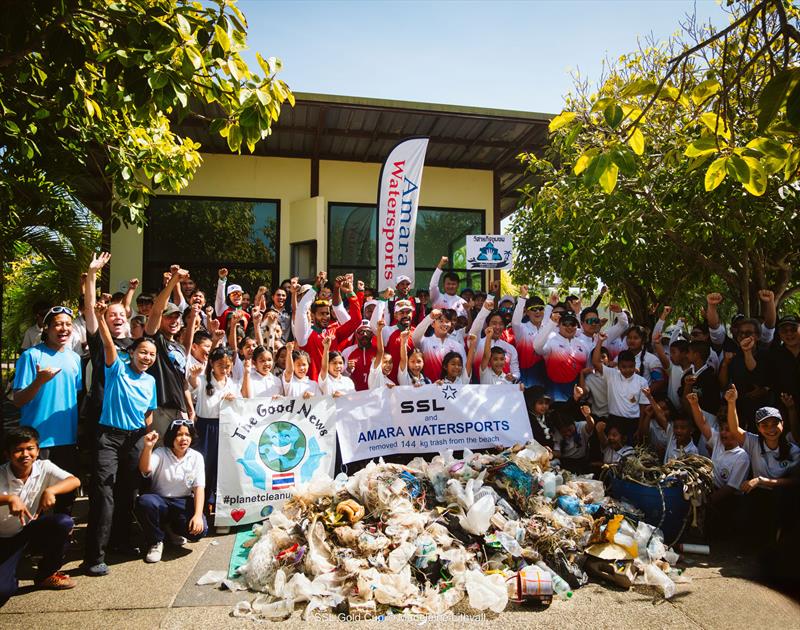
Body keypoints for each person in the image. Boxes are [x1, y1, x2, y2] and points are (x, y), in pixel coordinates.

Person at [82, 301, 157, 575]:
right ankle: (94, 556)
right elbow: (108, 345)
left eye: (151, 354)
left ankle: (122, 542)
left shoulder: (150, 382)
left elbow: (148, 412)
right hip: (109, 437)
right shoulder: (117, 368)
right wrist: (101, 318)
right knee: (104, 494)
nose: (147, 357)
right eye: (143, 352)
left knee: (129, 492)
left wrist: (149, 438)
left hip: (136, 438)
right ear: (132, 353)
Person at [12, 305, 82, 513]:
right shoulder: (31, 356)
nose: (64, 328)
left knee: (64, 500)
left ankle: (60, 539)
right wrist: (39, 382)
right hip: (37, 440)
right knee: (33, 497)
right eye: (58, 324)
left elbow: (74, 395)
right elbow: (18, 399)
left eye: (68, 324)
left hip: (67, 439)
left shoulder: (75, 358)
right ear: (47, 328)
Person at [0, 427, 80, 604]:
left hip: (27, 531)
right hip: (3, 538)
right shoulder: (2, 473)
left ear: (37, 450)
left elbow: (74, 481)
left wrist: (51, 490)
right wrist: (8, 499)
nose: (25, 454)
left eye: (30, 448)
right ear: (7, 454)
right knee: (4, 591)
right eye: (18, 450)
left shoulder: (44, 466)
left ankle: (46, 574)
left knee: (63, 523)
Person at [724, 385, 800, 542]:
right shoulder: (754, 442)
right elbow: (734, 428)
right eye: (765, 425)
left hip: (783, 496)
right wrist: (732, 403)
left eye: (775, 424)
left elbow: (796, 480)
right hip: (759, 494)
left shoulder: (793, 450)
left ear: (782, 424)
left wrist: (764, 481)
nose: (771, 429)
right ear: (758, 428)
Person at [136, 421, 207, 563]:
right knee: (145, 502)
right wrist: (148, 447)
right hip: (160, 501)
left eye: (187, 435)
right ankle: (156, 541)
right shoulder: (161, 453)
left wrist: (198, 515)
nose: (184, 438)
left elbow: (199, 487)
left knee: (200, 531)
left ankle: (172, 530)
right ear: (171, 437)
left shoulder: (196, 457)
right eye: (179, 434)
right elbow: (145, 469)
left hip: (182, 501)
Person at [189, 346, 240, 521]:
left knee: (222, 467)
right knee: (205, 466)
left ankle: (217, 505)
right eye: (220, 365)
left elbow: (240, 406)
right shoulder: (203, 380)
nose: (224, 369)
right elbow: (193, 384)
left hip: (225, 428)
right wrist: (194, 376)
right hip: (205, 428)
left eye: (227, 366)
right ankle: (200, 507)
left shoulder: (232, 383)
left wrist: (233, 400)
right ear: (212, 363)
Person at [686, 392, 749, 535]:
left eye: (728, 430)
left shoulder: (742, 456)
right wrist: (694, 404)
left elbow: (730, 488)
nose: (724, 433)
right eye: (722, 429)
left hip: (728, 501)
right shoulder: (718, 442)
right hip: (711, 490)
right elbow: (702, 423)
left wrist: (705, 503)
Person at [144, 267, 194, 437]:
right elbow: (157, 309)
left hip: (179, 409)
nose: (174, 320)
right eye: (169, 317)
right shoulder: (155, 340)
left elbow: (182, 381)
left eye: (176, 317)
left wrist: (189, 408)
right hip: (159, 408)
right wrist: (174, 281)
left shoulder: (179, 347)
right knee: (158, 455)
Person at [592, 336, 648, 444]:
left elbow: (643, 407)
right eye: (624, 367)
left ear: (635, 365)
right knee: (613, 451)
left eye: (631, 367)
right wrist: (600, 341)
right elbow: (595, 362)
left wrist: (639, 428)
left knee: (632, 452)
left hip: (634, 422)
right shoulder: (611, 374)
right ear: (618, 366)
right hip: (615, 420)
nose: (628, 370)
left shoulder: (642, 381)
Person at [534, 310, 590, 402]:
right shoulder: (551, 340)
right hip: (554, 398)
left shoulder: (584, 345)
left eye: (572, 324)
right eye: (565, 324)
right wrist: (551, 323)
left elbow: (587, 371)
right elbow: (537, 348)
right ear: (558, 325)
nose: (569, 327)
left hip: (577, 399)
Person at [469, 299, 520, 382]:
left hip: (503, 391)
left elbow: (516, 372)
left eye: (501, 324)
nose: (497, 327)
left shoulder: (510, 348)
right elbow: (475, 329)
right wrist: (485, 310)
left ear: (504, 326)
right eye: (494, 323)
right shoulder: (478, 343)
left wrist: (513, 377)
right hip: (479, 391)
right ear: (487, 325)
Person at [642, 387, 697, 462]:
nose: (678, 430)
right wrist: (650, 397)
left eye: (683, 428)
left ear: (691, 430)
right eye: (676, 427)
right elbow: (660, 415)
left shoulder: (692, 451)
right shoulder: (672, 436)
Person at [412, 308, 466, 383]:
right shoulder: (425, 342)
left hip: (450, 391)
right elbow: (415, 336)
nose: (444, 324)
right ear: (433, 324)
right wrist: (429, 317)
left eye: (447, 321)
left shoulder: (458, 346)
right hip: (429, 388)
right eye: (441, 321)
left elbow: (464, 371)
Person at [511, 286, 548, 388]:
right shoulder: (522, 329)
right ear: (527, 312)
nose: (537, 312)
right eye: (533, 309)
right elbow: (515, 322)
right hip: (525, 379)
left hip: (545, 379)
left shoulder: (549, 329)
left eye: (540, 308)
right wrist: (522, 297)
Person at [552, 404, 595, 474]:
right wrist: (549, 454)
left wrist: (588, 415)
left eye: (570, 430)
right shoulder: (557, 433)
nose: (568, 433)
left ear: (573, 423)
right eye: (564, 432)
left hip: (581, 462)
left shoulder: (581, 426)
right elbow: (558, 452)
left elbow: (591, 425)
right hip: (565, 463)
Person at [341, 320, 377, 391]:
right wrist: (348, 370)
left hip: (374, 394)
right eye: (361, 332)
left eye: (368, 332)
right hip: (354, 395)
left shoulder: (378, 351)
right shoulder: (347, 352)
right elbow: (340, 377)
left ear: (372, 334)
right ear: (356, 334)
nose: (365, 334)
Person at [215, 268, 251, 335]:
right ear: (228, 297)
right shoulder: (222, 309)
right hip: (224, 344)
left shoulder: (247, 315)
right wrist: (222, 280)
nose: (237, 296)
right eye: (234, 294)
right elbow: (220, 297)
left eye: (239, 294)